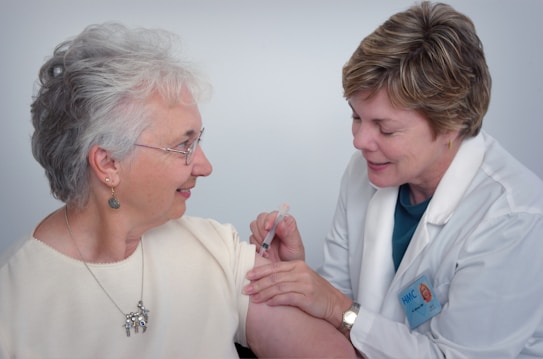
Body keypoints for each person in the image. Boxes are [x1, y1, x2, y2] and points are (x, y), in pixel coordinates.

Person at [0, 22, 356, 358]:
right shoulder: (12, 302)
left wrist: (294, 290)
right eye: (183, 145)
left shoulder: (216, 252)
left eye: (197, 140)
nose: (204, 166)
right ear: (108, 164)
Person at [244, 2, 543, 358]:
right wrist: (297, 277)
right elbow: (334, 305)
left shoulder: (514, 218)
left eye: (385, 128)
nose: (359, 141)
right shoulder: (364, 172)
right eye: (356, 117)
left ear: (451, 124)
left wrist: (338, 307)